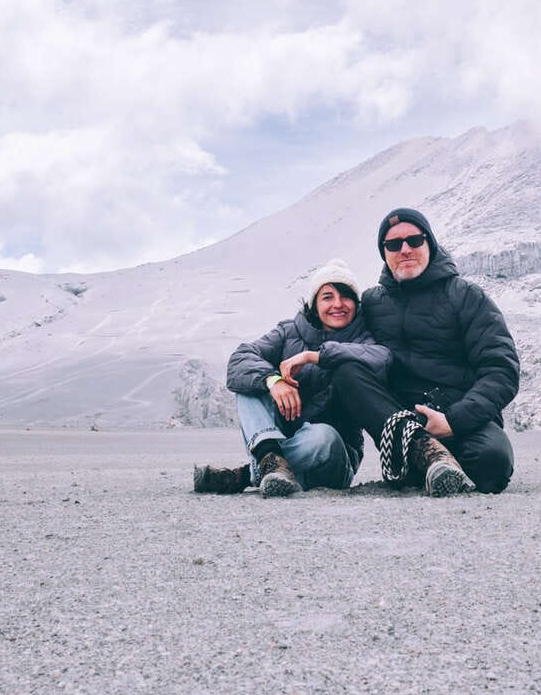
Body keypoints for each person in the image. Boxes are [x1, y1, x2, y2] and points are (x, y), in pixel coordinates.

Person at [331, 207, 519, 496]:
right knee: (346, 370)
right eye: (394, 244)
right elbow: (325, 331)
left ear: (429, 243)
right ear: (384, 253)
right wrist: (277, 377)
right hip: (396, 419)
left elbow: (501, 370)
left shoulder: (467, 296)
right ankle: (423, 453)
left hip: (458, 417)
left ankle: (425, 465)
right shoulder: (370, 303)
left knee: (492, 464)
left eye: (414, 240)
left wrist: (453, 421)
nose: (405, 250)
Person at [193, 259, 390, 497]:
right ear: (314, 303)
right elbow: (240, 359)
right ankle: (271, 460)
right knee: (250, 384)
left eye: (346, 296)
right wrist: (273, 381)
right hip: (284, 438)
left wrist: (315, 356)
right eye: (327, 297)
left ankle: (246, 475)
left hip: (332, 459)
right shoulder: (289, 332)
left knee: (324, 436)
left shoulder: (364, 338)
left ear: (356, 303)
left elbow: (383, 359)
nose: (337, 304)